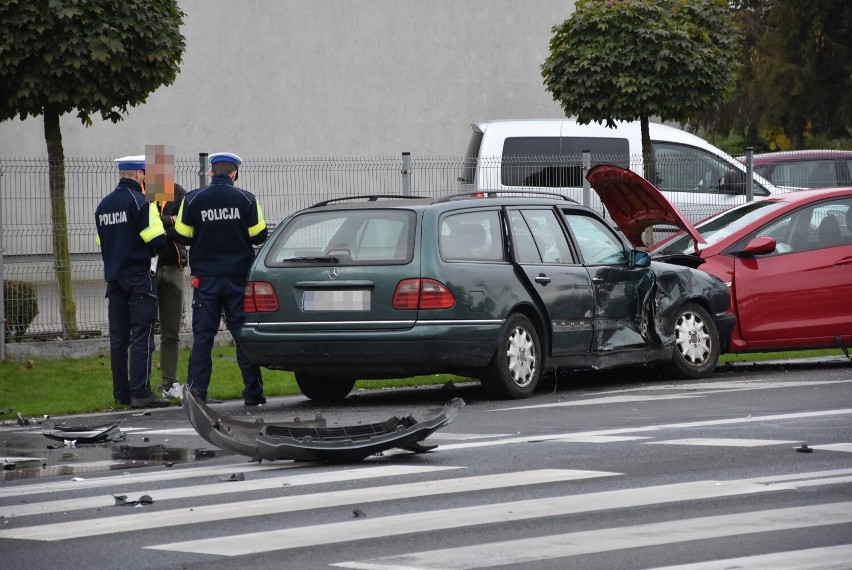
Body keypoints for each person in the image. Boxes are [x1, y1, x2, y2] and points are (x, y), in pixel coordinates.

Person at [174, 152, 268, 405]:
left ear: (212, 172)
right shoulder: (247, 199)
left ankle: (197, 393)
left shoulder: (193, 198)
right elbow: (259, 235)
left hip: (205, 279)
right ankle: (253, 393)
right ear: (234, 173)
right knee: (242, 335)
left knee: (203, 337)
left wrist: (203, 236)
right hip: (239, 277)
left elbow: (182, 235)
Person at [95, 155, 170, 409]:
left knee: (118, 339)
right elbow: (156, 239)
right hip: (138, 279)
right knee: (142, 336)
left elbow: (101, 242)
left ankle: (121, 394)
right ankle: (140, 392)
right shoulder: (141, 203)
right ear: (139, 175)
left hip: (113, 278)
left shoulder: (103, 205)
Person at [154, 183, 188, 399]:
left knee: (171, 330)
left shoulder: (179, 193)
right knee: (142, 332)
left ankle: (169, 383)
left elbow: (185, 227)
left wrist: (160, 228)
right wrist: (170, 220)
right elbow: (143, 225)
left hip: (175, 267)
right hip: (148, 268)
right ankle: (140, 385)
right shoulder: (141, 194)